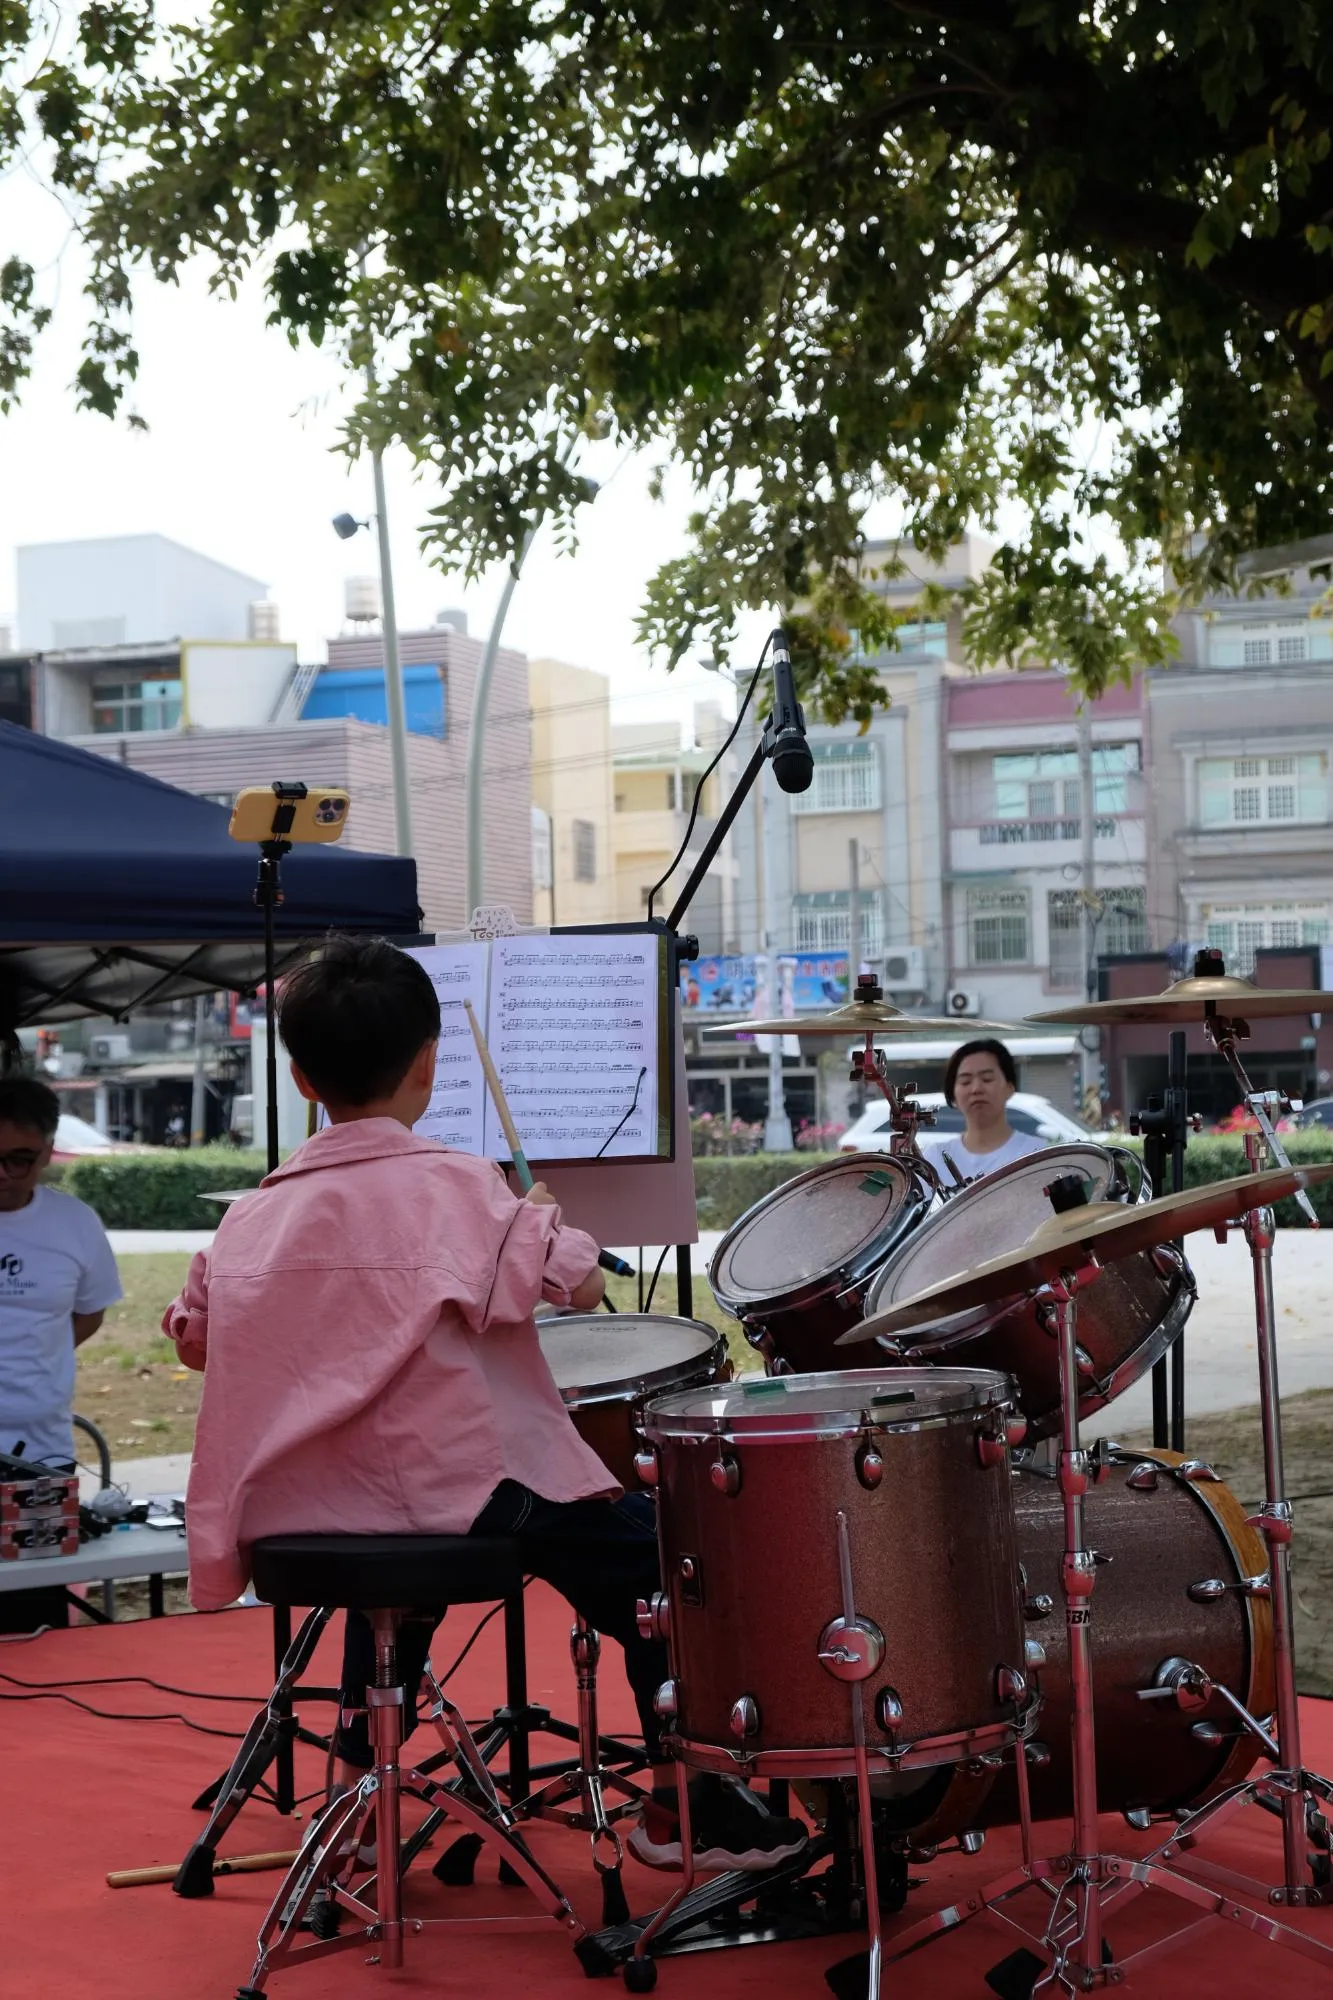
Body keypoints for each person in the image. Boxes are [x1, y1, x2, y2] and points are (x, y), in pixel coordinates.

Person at [163, 935, 804, 1874]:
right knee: (662, 1564)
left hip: (298, 1510)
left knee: (383, 1558)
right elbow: (581, 1287)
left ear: (300, 1078)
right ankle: (684, 1811)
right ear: (429, 1063)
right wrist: (534, 1214)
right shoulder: (461, 1188)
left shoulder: (246, 1218)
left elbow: (194, 1337)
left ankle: (355, 1797)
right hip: (446, 1494)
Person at [0, 1074, 123, 1467]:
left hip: (44, 1449)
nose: (2, 1173)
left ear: (47, 1153)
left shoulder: (76, 1223)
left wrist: (40, 1356)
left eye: (19, 1160)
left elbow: (91, 1312)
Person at [923, 1039, 1047, 1186]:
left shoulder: (1038, 1153)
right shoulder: (934, 1158)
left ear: (1010, 1087)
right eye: (965, 1081)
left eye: (987, 1079)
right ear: (953, 1094)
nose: (976, 1089)